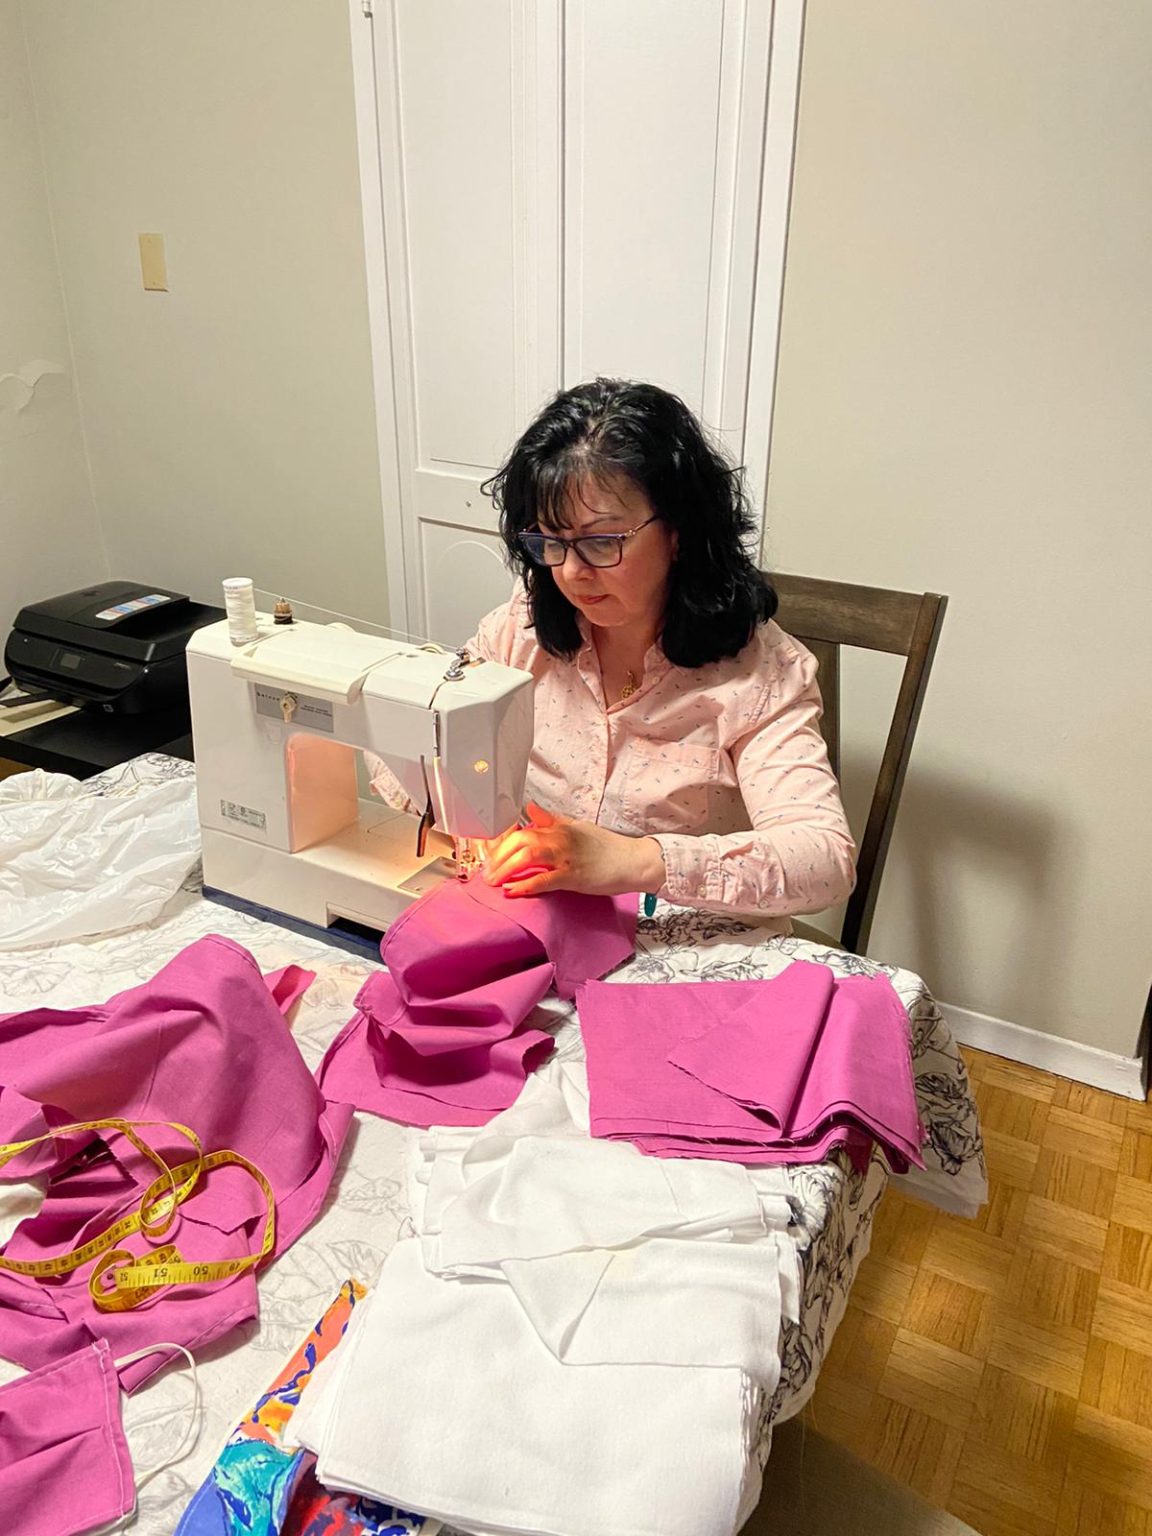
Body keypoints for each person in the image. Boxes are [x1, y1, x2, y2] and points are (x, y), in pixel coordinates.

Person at [375, 378, 856, 931]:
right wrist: (467, 819)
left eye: (602, 541)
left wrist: (633, 861)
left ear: (678, 532)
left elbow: (824, 860)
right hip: (536, 923)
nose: (571, 573)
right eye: (551, 541)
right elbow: (413, 737)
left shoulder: (762, 673)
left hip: (688, 943)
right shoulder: (521, 628)